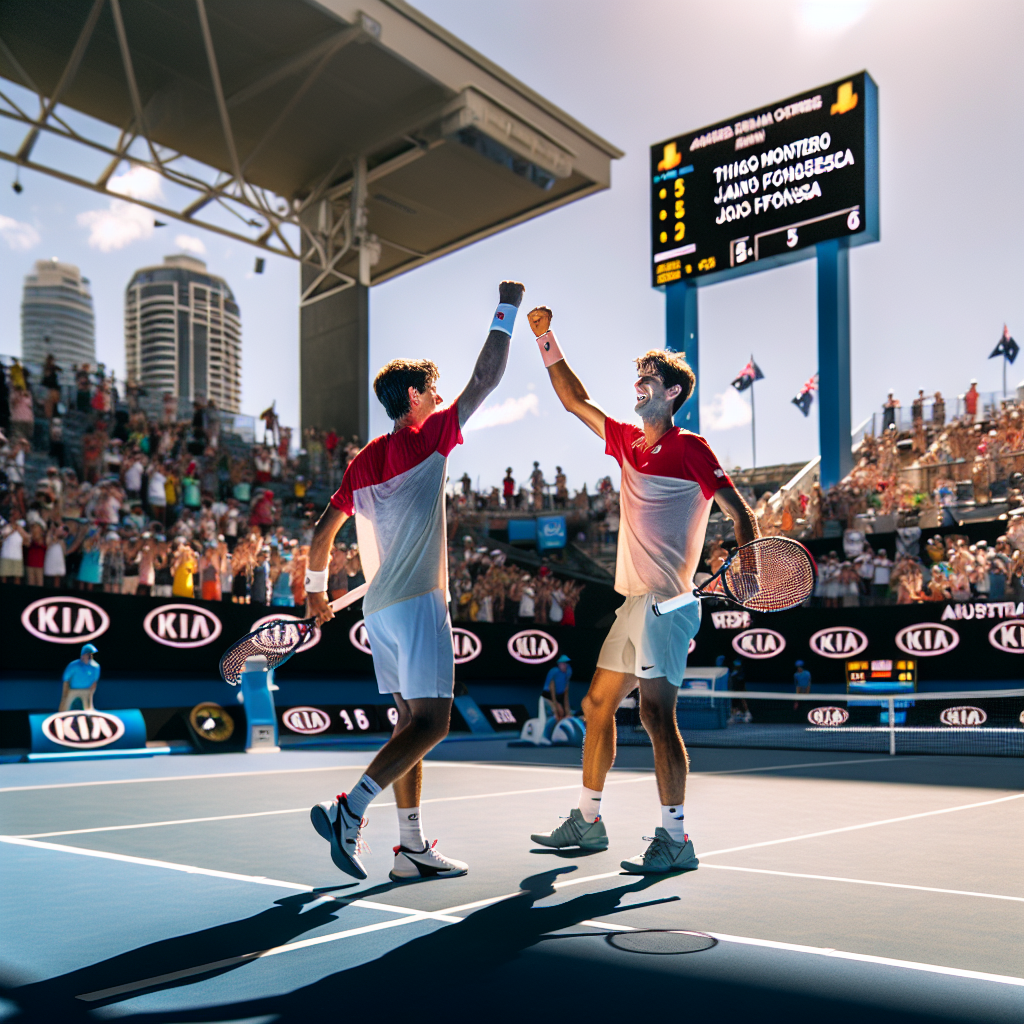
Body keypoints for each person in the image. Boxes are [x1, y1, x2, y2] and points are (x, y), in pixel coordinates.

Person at [304, 280, 524, 883]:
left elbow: (324, 529)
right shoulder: (429, 436)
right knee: (434, 723)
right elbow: (486, 380)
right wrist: (506, 307)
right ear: (414, 396)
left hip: (379, 610)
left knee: (409, 726)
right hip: (420, 601)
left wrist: (317, 590)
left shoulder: (362, 460)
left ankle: (411, 850)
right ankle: (351, 808)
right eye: (433, 388)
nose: (441, 394)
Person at [525, 309, 757, 874]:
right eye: (638, 376)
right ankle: (588, 821)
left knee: (656, 715)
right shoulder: (628, 442)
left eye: (649, 377)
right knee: (596, 704)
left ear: (672, 391)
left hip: (669, 604)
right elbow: (575, 401)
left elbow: (740, 512)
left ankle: (675, 838)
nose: (639, 383)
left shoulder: (692, 447)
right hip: (634, 603)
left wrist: (747, 564)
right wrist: (545, 339)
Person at [59, 643, 101, 711]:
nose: (90, 657)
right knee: (65, 707)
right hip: (72, 690)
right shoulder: (73, 665)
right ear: (83, 655)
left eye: (91, 655)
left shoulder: (96, 667)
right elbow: (66, 680)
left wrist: (90, 694)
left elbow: (94, 682)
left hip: (86, 690)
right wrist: (65, 694)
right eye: (88, 654)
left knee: (88, 709)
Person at [543, 654, 573, 720]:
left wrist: (568, 712)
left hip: (559, 696)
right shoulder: (554, 672)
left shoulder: (568, 672)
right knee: (559, 712)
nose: (565, 665)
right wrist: (556, 709)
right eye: (563, 663)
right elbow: (552, 692)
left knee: (565, 714)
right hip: (548, 696)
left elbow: (565, 694)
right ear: (559, 664)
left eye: (566, 663)